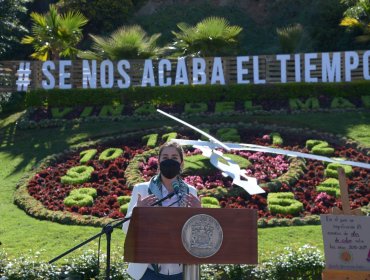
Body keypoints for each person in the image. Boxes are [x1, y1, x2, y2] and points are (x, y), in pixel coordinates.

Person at [122, 141, 201, 280]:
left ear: (181, 163)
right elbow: (125, 229)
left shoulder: (191, 192)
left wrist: (200, 215)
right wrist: (138, 212)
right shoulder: (142, 190)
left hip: (182, 271)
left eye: (174, 158)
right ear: (158, 162)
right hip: (148, 270)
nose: (169, 161)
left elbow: (198, 236)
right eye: (165, 158)